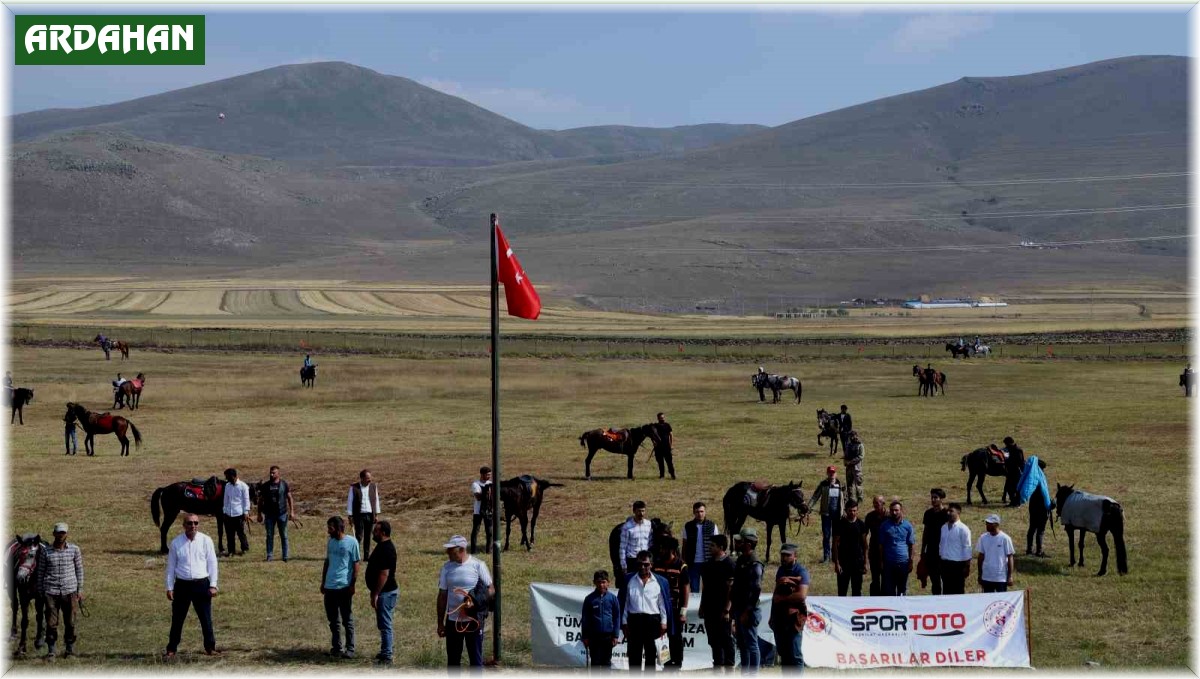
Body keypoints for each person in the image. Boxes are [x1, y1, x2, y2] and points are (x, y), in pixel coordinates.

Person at [164, 514, 219, 659]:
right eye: (189, 523)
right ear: (184, 525)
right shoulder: (176, 543)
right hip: (182, 585)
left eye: (196, 523)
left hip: (201, 584)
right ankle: (171, 648)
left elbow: (212, 564)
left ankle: (210, 647)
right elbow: (170, 567)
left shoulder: (206, 541)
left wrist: (213, 585)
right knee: (177, 619)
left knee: (205, 617)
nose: (193, 526)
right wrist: (169, 587)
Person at [437, 535, 493, 667]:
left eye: (451, 550)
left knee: (476, 660)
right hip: (453, 621)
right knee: (453, 662)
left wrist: (476, 601)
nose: (448, 553)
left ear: (462, 550)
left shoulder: (478, 565)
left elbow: (491, 589)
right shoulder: (446, 568)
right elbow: (442, 595)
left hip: (474, 621)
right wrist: (440, 622)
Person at [36, 522, 83, 661]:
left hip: (70, 591)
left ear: (67, 534)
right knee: (51, 623)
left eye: (63, 533)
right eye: (59, 533)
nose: (61, 535)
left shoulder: (74, 550)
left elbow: (79, 570)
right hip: (51, 591)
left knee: (70, 622)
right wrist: (40, 591)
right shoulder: (46, 551)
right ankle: (51, 651)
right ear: (54, 534)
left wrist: (80, 589)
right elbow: (40, 572)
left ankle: (69, 650)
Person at [619, 550, 672, 672]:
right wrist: (624, 622)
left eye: (646, 564)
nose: (642, 567)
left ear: (651, 564)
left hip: (652, 621)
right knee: (634, 655)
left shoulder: (660, 582)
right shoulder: (629, 579)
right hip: (634, 621)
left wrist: (664, 623)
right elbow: (624, 602)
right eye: (640, 564)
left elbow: (663, 604)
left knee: (651, 655)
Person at [321, 516, 360, 658]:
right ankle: (337, 647)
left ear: (338, 528)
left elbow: (356, 565)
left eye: (330, 528)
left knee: (346, 619)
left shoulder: (352, 542)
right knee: (333, 620)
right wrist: (323, 582)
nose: (328, 531)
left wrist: (352, 584)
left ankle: (350, 648)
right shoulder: (330, 542)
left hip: (343, 587)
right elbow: (327, 562)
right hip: (330, 587)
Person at [699, 534, 736, 669]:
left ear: (721, 547)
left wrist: (727, 610)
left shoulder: (730, 564)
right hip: (710, 608)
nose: (710, 548)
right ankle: (718, 665)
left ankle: (729, 666)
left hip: (723, 610)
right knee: (714, 640)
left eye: (712, 545)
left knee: (725, 639)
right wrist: (702, 606)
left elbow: (731, 589)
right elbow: (705, 587)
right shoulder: (708, 565)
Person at [652, 537, 690, 669]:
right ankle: (665, 665)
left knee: (675, 638)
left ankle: (677, 665)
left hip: (675, 609)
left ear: (671, 550)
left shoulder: (681, 565)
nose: (661, 550)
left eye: (663, 548)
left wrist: (683, 612)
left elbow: (685, 589)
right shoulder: (656, 564)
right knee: (662, 637)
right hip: (659, 609)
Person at [730, 528, 764, 672]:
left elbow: (756, 590)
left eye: (740, 541)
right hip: (738, 607)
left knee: (751, 644)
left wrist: (746, 612)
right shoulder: (741, 560)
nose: (736, 543)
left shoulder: (755, 564)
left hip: (748, 610)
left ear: (748, 544)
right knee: (742, 645)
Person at [770, 543, 808, 669]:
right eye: (782, 555)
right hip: (780, 618)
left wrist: (782, 599)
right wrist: (772, 615)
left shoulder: (801, 571)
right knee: (784, 654)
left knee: (795, 655)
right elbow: (776, 594)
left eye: (787, 555)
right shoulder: (781, 570)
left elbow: (801, 595)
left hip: (793, 618)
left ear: (795, 556)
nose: (784, 558)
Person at [366, 520, 398, 665]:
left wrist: (376, 593)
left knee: (385, 624)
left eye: (376, 531)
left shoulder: (386, 549)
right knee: (383, 623)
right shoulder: (382, 546)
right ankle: (385, 649)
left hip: (385, 593)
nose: (373, 533)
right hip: (383, 592)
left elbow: (384, 574)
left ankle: (387, 655)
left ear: (383, 532)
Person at [581, 570, 621, 668]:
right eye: (598, 582)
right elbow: (585, 619)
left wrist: (615, 635)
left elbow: (616, 617)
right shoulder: (589, 599)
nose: (601, 585)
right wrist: (585, 636)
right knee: (595, 662)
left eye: (603, 582)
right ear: (594, 582)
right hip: (594, 637)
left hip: (608, 636)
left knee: (606, 662)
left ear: (608, 582)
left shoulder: (613, 598)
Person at [256, 465, 296, 562]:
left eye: (274, 473)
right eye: (270, 472)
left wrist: (292, 512)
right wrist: (259, 514)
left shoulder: (284, 484)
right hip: (269, 515)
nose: (271, 474)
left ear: (278, 474)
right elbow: (260, 501)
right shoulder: (265, 486)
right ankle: (270, 555)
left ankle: (285, 555)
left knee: (284, 535)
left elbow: (289, 498)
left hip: (282, 513)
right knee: (269, 535)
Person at [808, 465, 844, 563]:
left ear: (836, 474)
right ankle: (826, 557)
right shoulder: (823, 484)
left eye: (833, 472)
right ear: (827, 473)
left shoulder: (841, 485)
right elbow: (815, 496)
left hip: (837, 515)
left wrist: (845, 511)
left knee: (837, 536)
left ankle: (836, 557)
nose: (831, 474)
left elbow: (846, 498)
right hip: (826, 515)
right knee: (827, 536)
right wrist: (808, 507)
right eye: (830, 472)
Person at [831, 500, 868, 596]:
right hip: (843, 562)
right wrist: (837, 563)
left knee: (857, 591)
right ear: (846, 510)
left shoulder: (861, 524)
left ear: (857, 510)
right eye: (850, 510)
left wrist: (865, 562)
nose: (852, 513)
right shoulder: (839, 524)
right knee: (842, 591)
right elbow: (835, 545)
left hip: (857, 562)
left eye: (854, 510)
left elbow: (865, 545)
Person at [879, 500, 915, 596]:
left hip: (903, 563)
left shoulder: (908, 526)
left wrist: (911, 562)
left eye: (896, 510)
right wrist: (882, 561)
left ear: (901, 510)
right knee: (889, 591)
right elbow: (881, 545)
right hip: (889, 564)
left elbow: (911, 545)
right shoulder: (884, 526)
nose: (894, 512)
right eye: (892, 510)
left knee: (902, 591)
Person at [682, 502, 720, 594]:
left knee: (709, 588)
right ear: (694, 513)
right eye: (697, 512)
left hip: (708, 562)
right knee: (694, 590)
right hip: (693, 563)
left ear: (705, 512)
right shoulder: (688, 526)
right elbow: (684, 545)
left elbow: (717, 545)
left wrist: (717, 560)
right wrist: (683, 561)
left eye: (702, 511)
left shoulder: (712, 526)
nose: (700, 514)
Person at [347, 469, 381, 560]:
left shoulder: (374, 487)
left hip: (370, 515)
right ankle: (356, 556)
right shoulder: (354, 488)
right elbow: (350, 501)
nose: (370, 480)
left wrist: (376, 514)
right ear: (362, 478)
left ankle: (366, 556)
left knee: (368, 536)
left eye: (370, 478)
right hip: (359, 515)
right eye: (367, 478)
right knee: (358, 536)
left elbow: (376, 501)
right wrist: (350, 515)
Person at [938, 504, 972, 595]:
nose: (948, 513)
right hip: (945, 564)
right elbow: (941, 544)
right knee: (946, 590)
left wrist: (967, 566)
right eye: (948, 511)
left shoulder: (963, 529)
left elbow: (967, 547)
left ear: (958, 512)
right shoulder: (944, 527)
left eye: (951, 511)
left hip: (957, 565)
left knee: (958, 591)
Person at [919, 489, 948, 594]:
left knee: (946, 581)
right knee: (935, 581)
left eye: (935, 497)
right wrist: (923, 550)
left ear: (941, 499)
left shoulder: (947, 514)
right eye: (932, 497)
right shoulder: (928, 513)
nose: (933, 499)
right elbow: (925, 532)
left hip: (944, 552)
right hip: (931, 551)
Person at [976, 515, 1015, 593]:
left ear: (996, 524)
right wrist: (980, 574)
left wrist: (1010, 576)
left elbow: (1010, 557)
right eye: (986, 523)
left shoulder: (1005, 538)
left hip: (1001, 578)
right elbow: (981, 557)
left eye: (989, 523)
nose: (987, 525)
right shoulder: (983, 538)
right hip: (987, 577)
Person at [220, 468, 251, 557]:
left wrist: (246, 512)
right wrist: (224, 511)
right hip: (228, 514)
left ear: (233, 476)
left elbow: (246, 500)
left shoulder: (243, 486)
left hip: (239, 514)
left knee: (240, 533)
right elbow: (226, 499)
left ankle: (244, 548)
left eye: (227, 477)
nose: (226, 479)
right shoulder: (227, 486)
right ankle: (231, 551)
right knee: (229, 533)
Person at [618, 500, 653, 579]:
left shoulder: (648, 524)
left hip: (645, 560)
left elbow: (650, 542)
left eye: (643, 511)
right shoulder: (627, 527)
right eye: (639, 511)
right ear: (634, 511)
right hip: (633, 561)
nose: (641, 514)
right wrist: (624, 565)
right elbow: (623, 547)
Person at [863, 495, 887, 596]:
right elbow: (864, 534)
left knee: (886, 579)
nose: (875, 505)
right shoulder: (870, 516)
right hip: (874, 552)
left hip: (887, 552)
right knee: (875, 579)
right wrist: (866, 548)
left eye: (878, 503)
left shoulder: (889, 516)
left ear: (883, 503)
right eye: (874, 503)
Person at [470, 466, 493, 555]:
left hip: (488, 511)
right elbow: (478, 497)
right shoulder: (475, 484)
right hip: (478, 511)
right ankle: (473, 550)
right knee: (476, 530)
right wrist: (487, 493)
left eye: (490, 474)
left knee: (489, 531)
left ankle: (489, 550)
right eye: (487, 475)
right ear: (482, 474)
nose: (489, 476)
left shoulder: (490, 483)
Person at [841, 431, 864, 506]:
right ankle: (851, 498)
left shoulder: (860, 445)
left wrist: (851, 462)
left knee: (858, 483)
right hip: (848, 468)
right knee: (849, 484)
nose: (851, 437)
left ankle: (860, 498)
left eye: (853, 436)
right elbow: (846, 454)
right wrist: (845, 461)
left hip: (857, 468)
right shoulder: (848, 445)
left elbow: (861, 456)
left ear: (856, 436)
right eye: (850, 436)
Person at [652, 412, 676, 480]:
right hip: (658, 448)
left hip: (666, 447)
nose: (662, 419)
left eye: (663, 418)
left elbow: (671, 435)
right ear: (658, 418)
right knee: (660, 462)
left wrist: (671, 445)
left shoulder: (667, 425)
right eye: (661, 418)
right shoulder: (655, 426)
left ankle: (672, 475)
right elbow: (652, 436)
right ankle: (662, 475)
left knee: (669, 462)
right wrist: (654, 442)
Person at [1003, 437, 1026, 508]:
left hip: (1016, 472)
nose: (1006, 446)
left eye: (1006, 444)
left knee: (1016, 488)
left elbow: (1020, 462)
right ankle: (1012, 502)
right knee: (1010, 488)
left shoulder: (1017, 450)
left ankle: (1017, 503)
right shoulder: (1011, 449)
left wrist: (1009, 462)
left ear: (1010, 443)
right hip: (1010, 472)